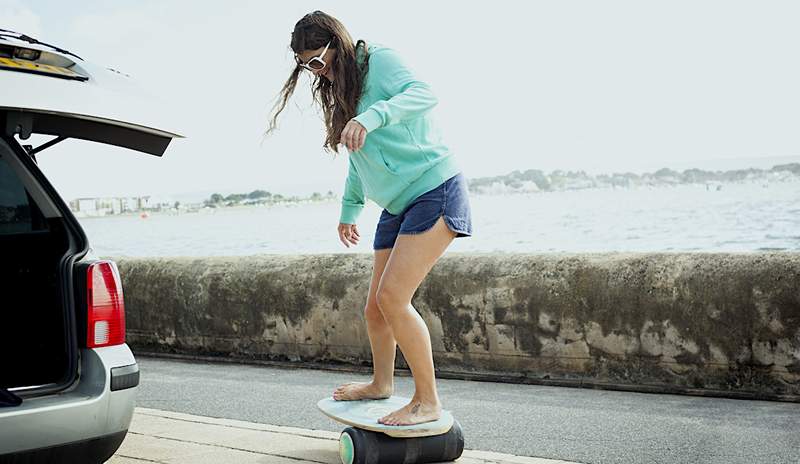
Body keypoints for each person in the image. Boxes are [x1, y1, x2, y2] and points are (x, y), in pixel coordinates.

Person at [265, 10, 472, 427]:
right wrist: (349, 209)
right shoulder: (342, 87)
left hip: (435, 188)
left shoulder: (379, 61)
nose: (315, 73)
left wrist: (372, 116)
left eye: (317, 62)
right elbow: (358, 156)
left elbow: (424, 94)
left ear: (336, 44)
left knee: (394, 298)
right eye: (306, 67)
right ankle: (382, 384)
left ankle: (427, 400)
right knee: (375, 308)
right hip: (396, 205)